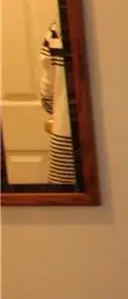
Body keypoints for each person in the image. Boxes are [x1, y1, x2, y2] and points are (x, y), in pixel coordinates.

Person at [39, 24, 76, 186]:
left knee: (68, 196)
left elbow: (48, 88)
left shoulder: (56, 32)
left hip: (65, 136)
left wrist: (52, 107)